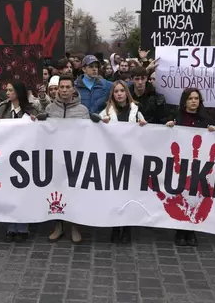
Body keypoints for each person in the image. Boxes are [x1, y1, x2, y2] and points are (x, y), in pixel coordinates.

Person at [38, 75, 102, 244]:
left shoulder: (82, 110)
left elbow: (90, 134)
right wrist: (39, 121)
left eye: (68, 87)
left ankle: (74, 226)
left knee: (73, 193)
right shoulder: (51, 109)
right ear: (57, 89)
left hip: (75, 159)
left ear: (74, 89)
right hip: (55, 159)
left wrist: (98, 122)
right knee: (56, 193)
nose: (65, 90)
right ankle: (58, 226)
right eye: (62, 87)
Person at [0, 80, 39, 242]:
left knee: (24, 192)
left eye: (10, 90)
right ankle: (11, 227)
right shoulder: (3, 108)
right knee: (9, 192)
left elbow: (41, 124)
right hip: (7, 155)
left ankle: (23, 226)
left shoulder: (31, 110)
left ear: (18, 92)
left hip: (26, 157)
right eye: (7, 90)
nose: (8, 92)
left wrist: (36, 120)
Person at [165, 88, 215, 246]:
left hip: (196, 165)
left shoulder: (206, 119)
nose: (194, 101)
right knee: (181, 194)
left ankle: (191, 231)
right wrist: (167, 127)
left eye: (196, 98)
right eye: (190, 98)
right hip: (180, 164)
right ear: (185, 101)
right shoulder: (176, 117)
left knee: (194, 194)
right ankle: (180, 231)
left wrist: (213, 131)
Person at [100, 80, 147, 243]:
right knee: (115, 193)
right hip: (113, 159)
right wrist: (101, 123)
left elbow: (145, 134)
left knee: (129, 194)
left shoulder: (137, 111)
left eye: (122, 91)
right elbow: (95, 131)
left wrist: (143, 126)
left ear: (127, 93)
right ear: (112, 94)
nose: (119, 94)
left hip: (131, 158)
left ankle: (127, 227)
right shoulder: (106, 112)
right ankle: (115, 226)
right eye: (116, 91)